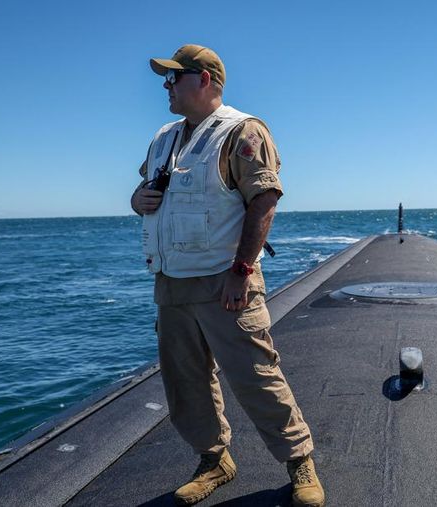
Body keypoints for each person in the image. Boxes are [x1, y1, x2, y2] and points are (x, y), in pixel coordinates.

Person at [130, 44, 324, 507]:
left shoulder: (242, 131)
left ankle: (300, 463)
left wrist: (241, 271)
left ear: (206, 81)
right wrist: (137, 200)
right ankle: (214, 459)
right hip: (172, 281)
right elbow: (143, 189)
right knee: (186, 380)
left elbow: (264, 199)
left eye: (175, 77)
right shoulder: (163, 137)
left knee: (255, 375)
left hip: (225, 279)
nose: (166, 85)